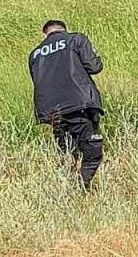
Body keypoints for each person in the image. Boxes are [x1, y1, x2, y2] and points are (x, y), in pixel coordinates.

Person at [27, 20, 106, 189]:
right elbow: (94, 66)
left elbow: (38, 81)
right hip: (79, 104)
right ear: (64, 29)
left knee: (68, 152)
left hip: (51, 112)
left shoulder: (34, 54)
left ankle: (66, 188)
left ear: (45, 34)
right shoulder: (75, 39)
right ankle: (80, 188)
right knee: (93, 152)